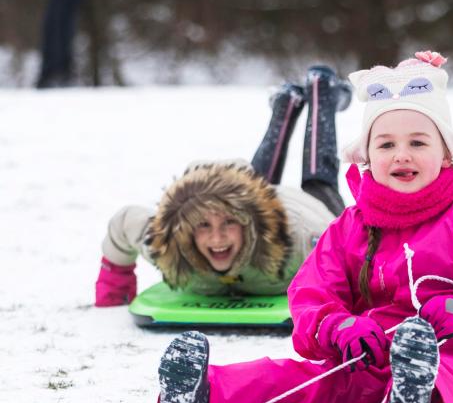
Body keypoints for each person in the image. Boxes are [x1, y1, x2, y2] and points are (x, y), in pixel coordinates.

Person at [154, 51, 453, 403]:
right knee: (290, 378)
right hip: (366, 361)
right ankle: (199, 399)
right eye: (387, 144)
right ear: (368, 156)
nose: (401, 155)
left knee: (447, 372)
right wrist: (338, 327)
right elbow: (310, 297)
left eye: (418, 142)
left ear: (446, 154)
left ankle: (414, 399)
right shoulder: (349, 228)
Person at [94, 64, 351, 305]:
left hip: (301, 212)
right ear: (185, 229)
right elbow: (125, 222)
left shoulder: (306, 241)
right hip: (250, 206)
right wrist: (114, 287)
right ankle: (287, 103)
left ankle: (322, 93)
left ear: (246, 223)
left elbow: (350, 254)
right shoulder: (166, 242)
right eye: (204, 225)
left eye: (229, 223)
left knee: (319, 179)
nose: (217, 238)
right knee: (248, 188)